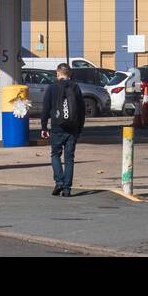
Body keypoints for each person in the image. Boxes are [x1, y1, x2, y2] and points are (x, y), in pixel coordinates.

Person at [40, 63, 85, 197]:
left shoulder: (52, 88)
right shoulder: (76, 87)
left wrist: (44, 126)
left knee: (55, 155)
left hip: (57, 127)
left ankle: (59, 182)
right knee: (69, 158)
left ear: (58, 73)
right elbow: (81, 110)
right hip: (72, 129)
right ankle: (67, 189)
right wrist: (80, 128)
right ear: (69, 74)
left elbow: (46, 109)